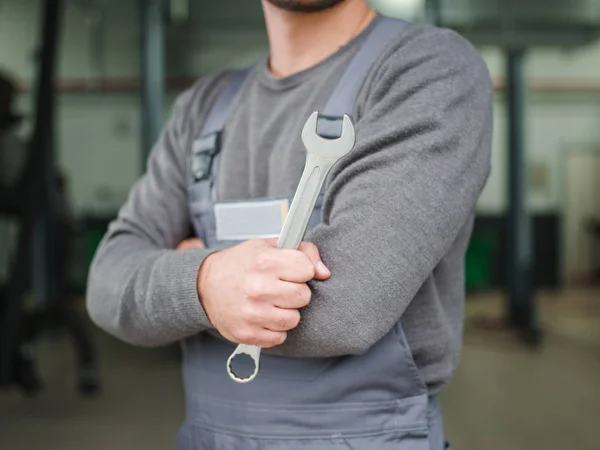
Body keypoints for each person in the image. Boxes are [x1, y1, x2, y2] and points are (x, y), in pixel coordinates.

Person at [86, 1, 493, 449]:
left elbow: (343, 311)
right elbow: (106, 283)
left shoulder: (426, 70)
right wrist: (205, 283)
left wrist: (182, 280)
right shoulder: (202, 108)